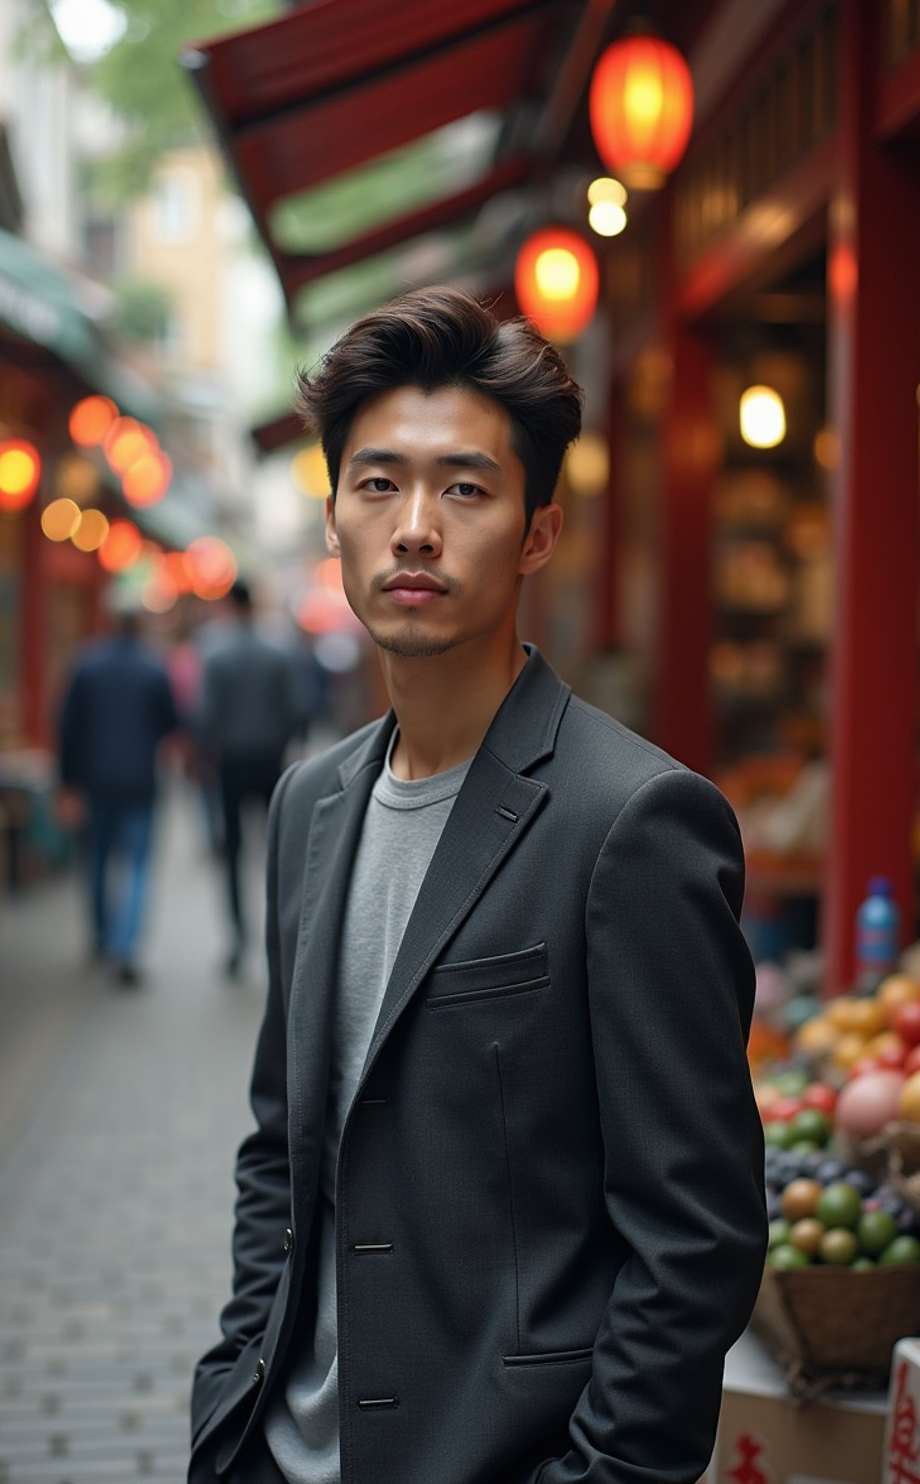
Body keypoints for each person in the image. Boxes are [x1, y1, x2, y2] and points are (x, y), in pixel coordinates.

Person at [190, 288, 767, 1484]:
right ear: (336, 518)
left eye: (464, 488)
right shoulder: (309, 807)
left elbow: (696, 1235)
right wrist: (233, 1381)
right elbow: (279, 1150)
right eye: (377, 484)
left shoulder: (633, 822)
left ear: (537, 531)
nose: (414, 528)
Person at [57, 610, 177, 988]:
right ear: (138, 627)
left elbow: (66, 727)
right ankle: (126, 948)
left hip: (94, 781)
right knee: (138, 865)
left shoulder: (86, 665)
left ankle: (101, 937)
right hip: (140, 779)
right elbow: (171, 722)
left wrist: (67, 782)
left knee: (96, 860)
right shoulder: (153, 667)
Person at [199, 580, 303, 974]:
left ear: (229, 605)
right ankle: (278, 936)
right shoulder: (278, 653)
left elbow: (206, 715)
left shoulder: (216, 654)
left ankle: (237, 937)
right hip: (270, 758)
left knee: (233, 851)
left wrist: (206, 751)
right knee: (276, 849)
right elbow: (297, 708)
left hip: (230, 762)